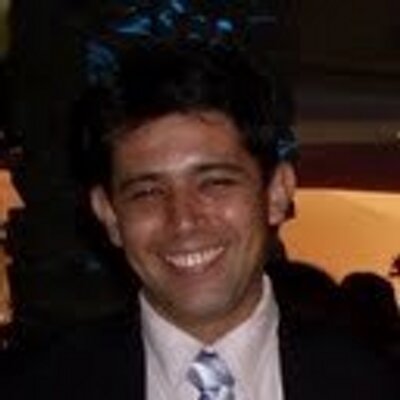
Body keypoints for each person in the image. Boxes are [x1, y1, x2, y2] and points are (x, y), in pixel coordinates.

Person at [4, 41, 398, 400]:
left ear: (277, 193)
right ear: (109, 214)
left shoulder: (375, 384)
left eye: (215, 183)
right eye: (147, 192)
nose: (183, 221)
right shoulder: (34, 387)